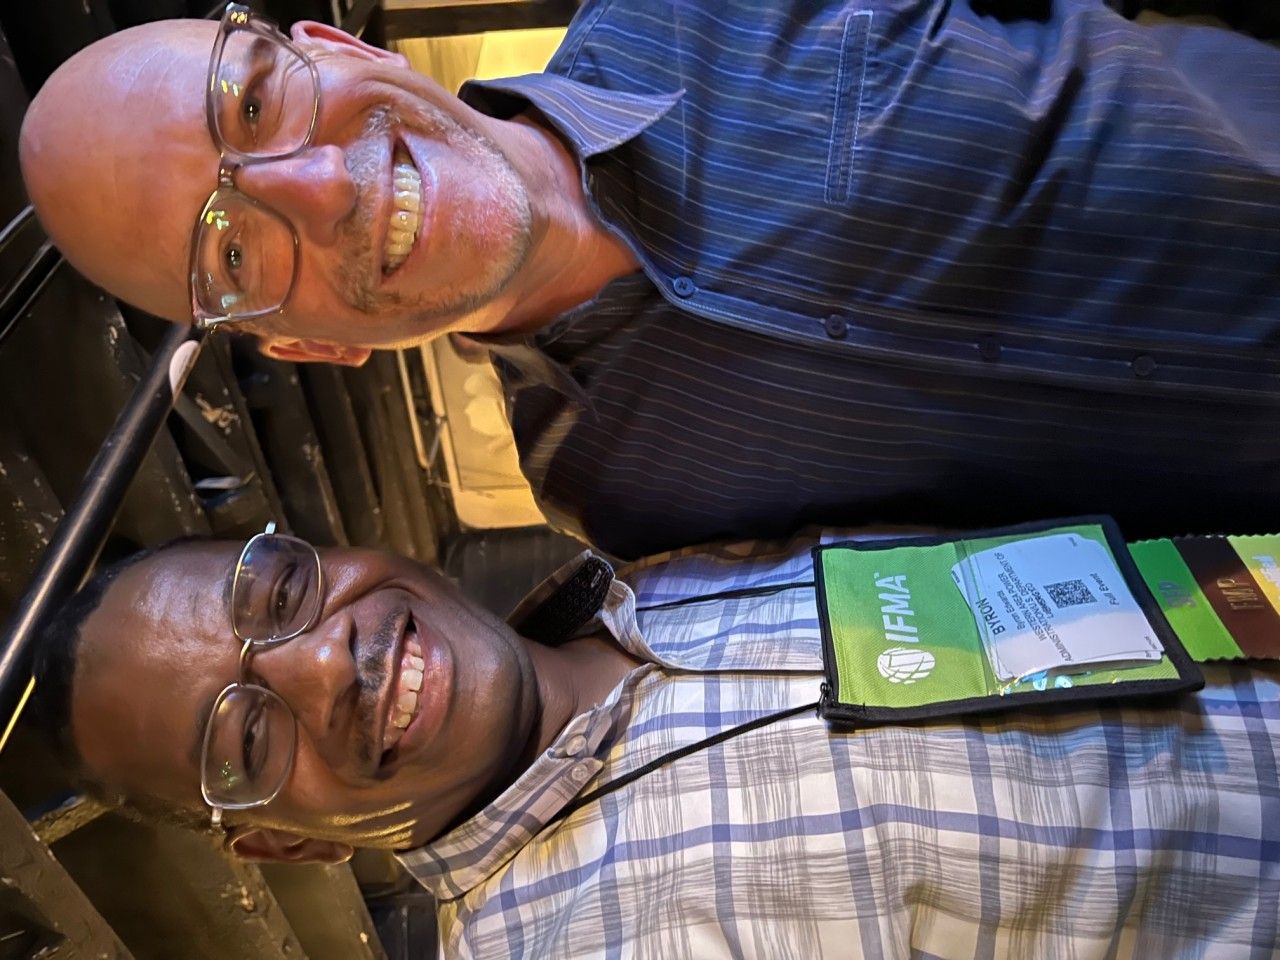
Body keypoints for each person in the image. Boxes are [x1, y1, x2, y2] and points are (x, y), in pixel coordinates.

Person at [18, 2, 1280, 558]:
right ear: (306, 348)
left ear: (339, 46)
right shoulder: (610, 499)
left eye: (250, 103)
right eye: (231, 251)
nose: (315, 183)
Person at [30, 522, 1280, 957]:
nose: (320, 661)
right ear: (279, 846)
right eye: (242, 737)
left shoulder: (665, 566)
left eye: (272, 596)